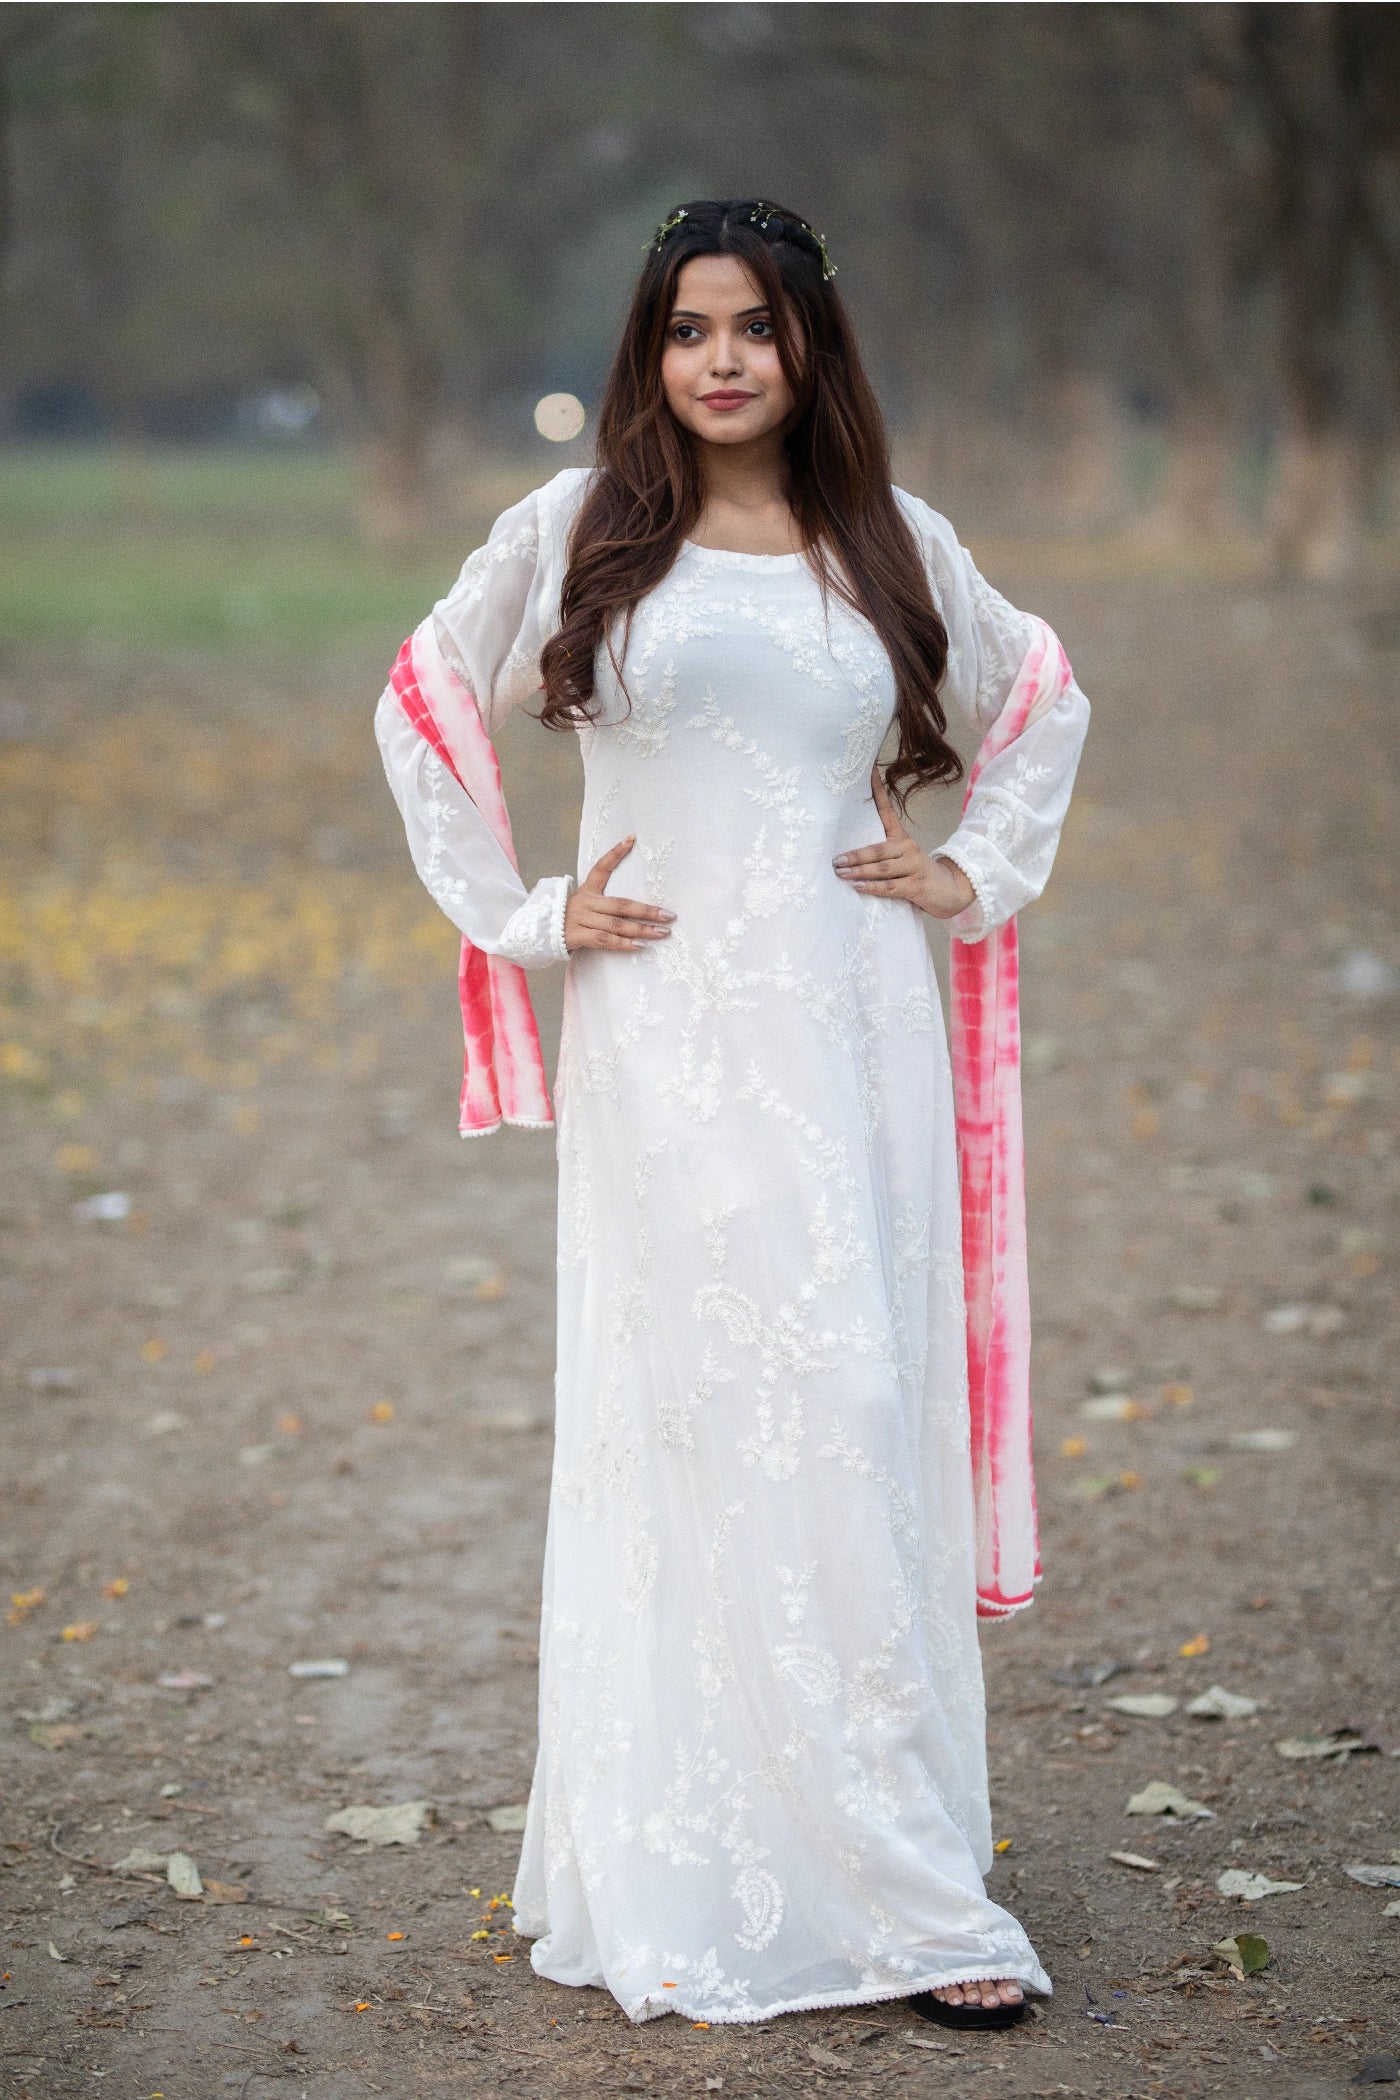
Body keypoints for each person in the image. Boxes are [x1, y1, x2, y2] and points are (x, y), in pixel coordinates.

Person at [375, 197, 1089, 2031]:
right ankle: (703, 1855)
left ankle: (902, 1877)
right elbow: (421, 695)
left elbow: (1042, 694)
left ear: (808, 349)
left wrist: (975, 868)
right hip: (667, 1032)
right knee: (703, 1417)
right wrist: (526, 917)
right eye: (690, 328)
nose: (720, 361)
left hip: (856, 1035)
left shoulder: (889, 537)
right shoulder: (582, 528)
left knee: (855, 1399)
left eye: (755, 328)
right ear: (651, 346)